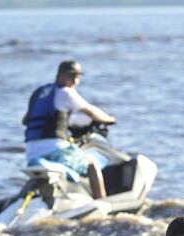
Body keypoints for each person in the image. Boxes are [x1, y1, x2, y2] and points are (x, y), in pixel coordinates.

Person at [22, 60, 117, 199]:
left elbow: (26, 120)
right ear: (60, 75)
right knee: (92, 164)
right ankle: (103, 204)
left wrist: (64, 122)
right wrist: (109, 119)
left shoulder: (39, 93)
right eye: (71, 76)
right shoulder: (66, 93)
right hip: (53, 150)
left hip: (31, 152)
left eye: (77, 77)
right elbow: (92, 112)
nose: (75, 81)